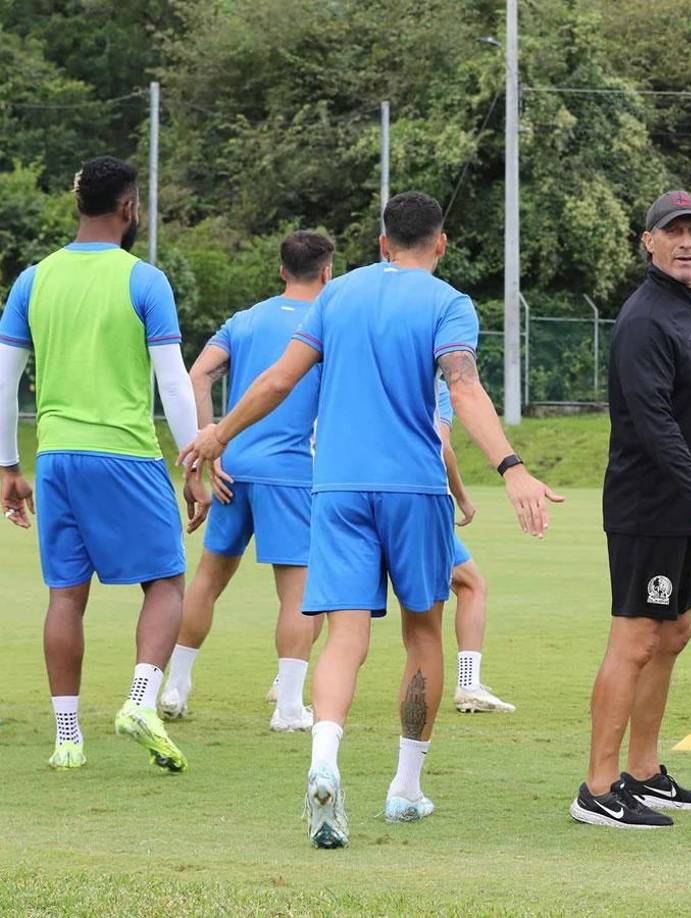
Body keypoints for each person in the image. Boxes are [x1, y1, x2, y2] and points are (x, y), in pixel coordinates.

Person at [178, 191, 561, 849]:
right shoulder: (448, 304)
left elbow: (275, 382)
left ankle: (324, 754)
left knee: (343, 636)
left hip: (338, 489)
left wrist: (218, 435)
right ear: (438, 245)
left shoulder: (337, 296)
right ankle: (406, 789)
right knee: (421, 634)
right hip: (414, 489)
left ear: (382, 242)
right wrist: (511, 467)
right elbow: (463, 388)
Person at [0, 156, 207, 773]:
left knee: (66, 595)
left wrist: (9, 466)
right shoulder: (145, 280)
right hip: (124, 453)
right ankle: (141, 700)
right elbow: (172, 382)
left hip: (57, 455)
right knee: (167, 582)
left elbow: (5, 382)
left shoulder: (33, 280)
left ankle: (68, 737)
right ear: (128, 207)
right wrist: (192, 461)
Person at [570, 190, 691, 830]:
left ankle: (643, 773)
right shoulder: (646, 317)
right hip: (651, 508)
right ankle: (597, 786)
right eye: (674, 232)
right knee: (636, 638)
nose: (687, 242)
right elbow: (653, 423)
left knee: (674, 632)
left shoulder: (690, 310)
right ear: (649, 242)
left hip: (683, 514)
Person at [158, 231, 334, 731]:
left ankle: (176, 686)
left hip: (231, 468)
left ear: (281, 270)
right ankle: (289, 707)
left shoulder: (244, 320)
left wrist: (207, 448)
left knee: (209, 580)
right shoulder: (328, 322)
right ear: (327, 271)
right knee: (298, 592)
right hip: (293, 472)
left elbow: (197, 375)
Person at [435, 377, 515, 714]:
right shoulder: (435, 386)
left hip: (348, 495)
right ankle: (468, 685)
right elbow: (441, 445)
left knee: (345, 608)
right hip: (415, 502)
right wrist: (463, 498)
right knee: (470, 585)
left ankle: (287, 683)